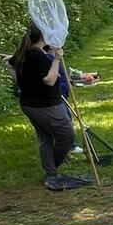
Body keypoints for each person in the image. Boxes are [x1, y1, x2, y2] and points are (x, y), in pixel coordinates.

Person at [11, 25, 77, 190]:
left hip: (29, 103)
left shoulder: (23, 52)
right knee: (67, 135)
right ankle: (51, 168)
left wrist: (22, 83)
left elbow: (10, 64)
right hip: (45, 105)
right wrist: (56, 58)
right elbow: (49, 80)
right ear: (43, 36)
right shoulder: (36, 56)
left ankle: (51, 172)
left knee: (45, 138)